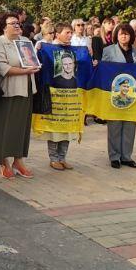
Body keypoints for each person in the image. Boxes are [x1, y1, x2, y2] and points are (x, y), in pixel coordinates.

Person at [0, 13, 37, 179]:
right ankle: (4, 162)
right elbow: (3, 68)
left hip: (26, 88)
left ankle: (19, 160)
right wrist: (25, 70)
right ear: (4, 27)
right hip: (9, 91)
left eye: (18, 23)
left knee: (22, 127)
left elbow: (32, 61)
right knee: (5, 126)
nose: (18, 26)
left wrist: (34, 65)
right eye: (13, 23)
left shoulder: (25, 41)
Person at [38, 23, 81, 171]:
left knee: (67, 128)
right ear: (58, 34)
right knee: (54, 128)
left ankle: (63, 158)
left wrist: (89, 55)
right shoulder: (48, 49)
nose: (70, 35)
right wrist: (39, 50)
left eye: (71, 33)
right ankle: (53, 158)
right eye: (67, 32)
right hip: (55, 96)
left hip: (70, 97)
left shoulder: (74, 51)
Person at [101, 23, 136, 169]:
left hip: (132, 95)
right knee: (115, 125)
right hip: (114, 93)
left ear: (131, 36)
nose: (123, 36)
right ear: (116, 36)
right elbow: (103, 70)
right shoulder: (108, 50)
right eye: (120, 34)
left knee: (130, 126)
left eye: (126, 34)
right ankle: (114, 156)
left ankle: (126, 156)